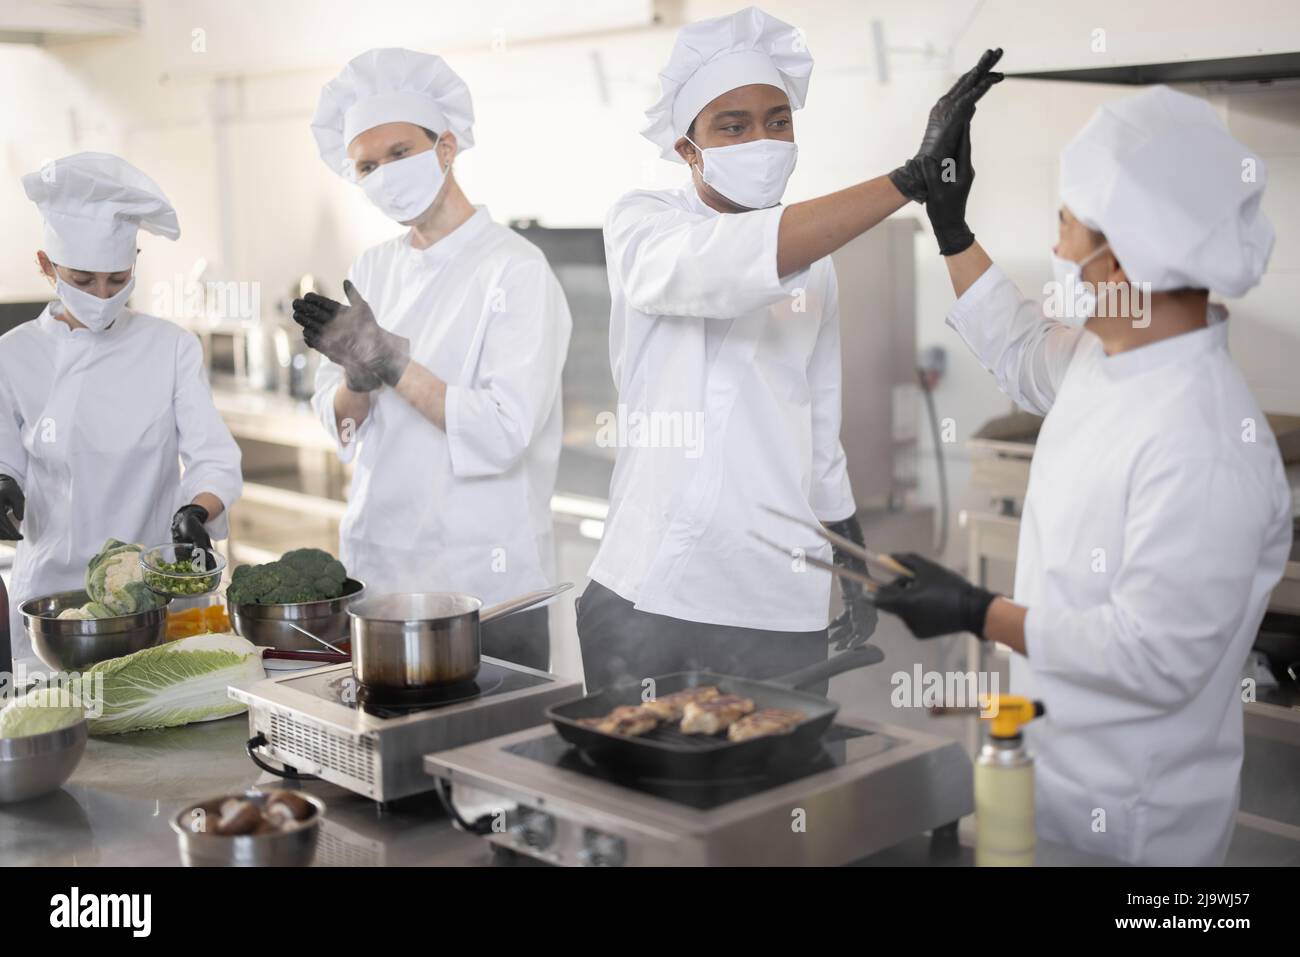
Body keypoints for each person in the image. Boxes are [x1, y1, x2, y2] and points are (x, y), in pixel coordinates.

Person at [874, 85, 1292, 865]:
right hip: (1053, 781)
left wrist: (974, 608)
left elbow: (1149, 657)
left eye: (1068, 226)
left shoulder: (1201, 439)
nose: (1060, 251)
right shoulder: (1119, 356)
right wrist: (950, 221)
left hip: (1136, 824)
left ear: (1127, 251)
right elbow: (1026, 348)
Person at [576, 5, 1002, 690]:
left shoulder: (817, 262)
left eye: (779, 121)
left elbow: (816, 424)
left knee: (782, 788)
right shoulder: (643, 224)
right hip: (653, 592)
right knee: (642, 785)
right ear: (688, 148)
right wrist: (909, 180)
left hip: (782, 600)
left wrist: (851, 555)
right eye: (733, 126)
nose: (763, 140)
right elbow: (718, 267)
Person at [297, 48, 572, 671]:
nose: (384, 175)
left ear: (446, 146)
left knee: (486, 752)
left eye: (399, 154)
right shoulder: (372, 267)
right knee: (390, 756)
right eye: (366, 166)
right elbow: (339, 423)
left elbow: (502, 431)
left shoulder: (516, 269)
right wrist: (358, 380)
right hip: (381, 571)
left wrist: (391, 364)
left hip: (486, 584)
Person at [0, 152, 243, 670]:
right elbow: (6, 463)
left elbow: (214, 458)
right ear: (47, 266)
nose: (103, 296)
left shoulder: (171, 347)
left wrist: (198, 511)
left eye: (118, 278)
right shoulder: (12, 355)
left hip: (156, 602)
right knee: (63, 731)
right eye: (83, 281)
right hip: (53, 605)